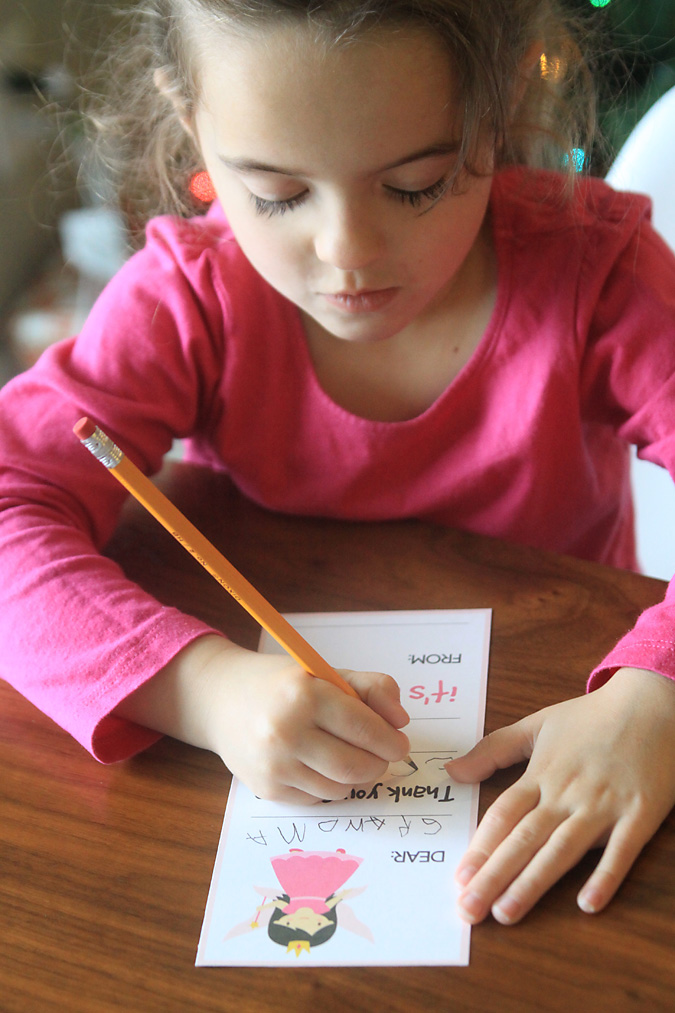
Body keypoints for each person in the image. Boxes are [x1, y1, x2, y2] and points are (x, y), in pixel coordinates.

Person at [0, 0, 674, 929]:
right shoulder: (191, 300)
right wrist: (201, 689)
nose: (345, 254)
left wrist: (658, 691)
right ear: (190, 117)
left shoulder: (595, 275)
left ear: (504, 100)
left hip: (548, 715)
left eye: (418, 184)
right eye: (276, 193)